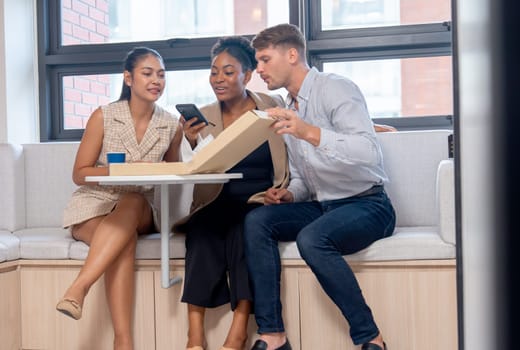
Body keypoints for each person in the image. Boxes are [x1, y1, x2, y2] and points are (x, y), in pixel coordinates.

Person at [243, 24, 396, 350]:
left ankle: (371, 338)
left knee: (313, 239)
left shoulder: (337, 89)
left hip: (368, 203)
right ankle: (273, 335)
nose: (259, 69)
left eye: (265, 59)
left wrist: (309, 132)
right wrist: (289, 193)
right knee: (257, 221)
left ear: (292, 54)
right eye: (258, 61)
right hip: (323, 205)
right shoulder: (289, 106)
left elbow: (369, 152)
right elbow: (302, 177)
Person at [56, 47, 183, 350]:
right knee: (122, 242)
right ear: (128, 78)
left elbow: (174, 172)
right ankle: (123, 342)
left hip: (139, 207)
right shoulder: (104, 116)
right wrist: (116, 171)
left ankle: (79, 287)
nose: (156, 80)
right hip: (94, 204)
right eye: (147, 73)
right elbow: (79, 173)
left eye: (161, 75)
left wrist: (186, 140)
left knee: (133, 201)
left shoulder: (171, 124)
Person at [172, 36, 290, 350]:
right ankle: (194, 334)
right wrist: (192, 141)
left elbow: (307, 129)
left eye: (227, 71)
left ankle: (238, 331)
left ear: (247, 74)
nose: (218, 80)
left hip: (259, 199)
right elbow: (193, 167)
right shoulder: (203, 115)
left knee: (245, 232)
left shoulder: (273, 107)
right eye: (213, 72)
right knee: (201, 232)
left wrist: (371, 126)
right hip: (216, 198)